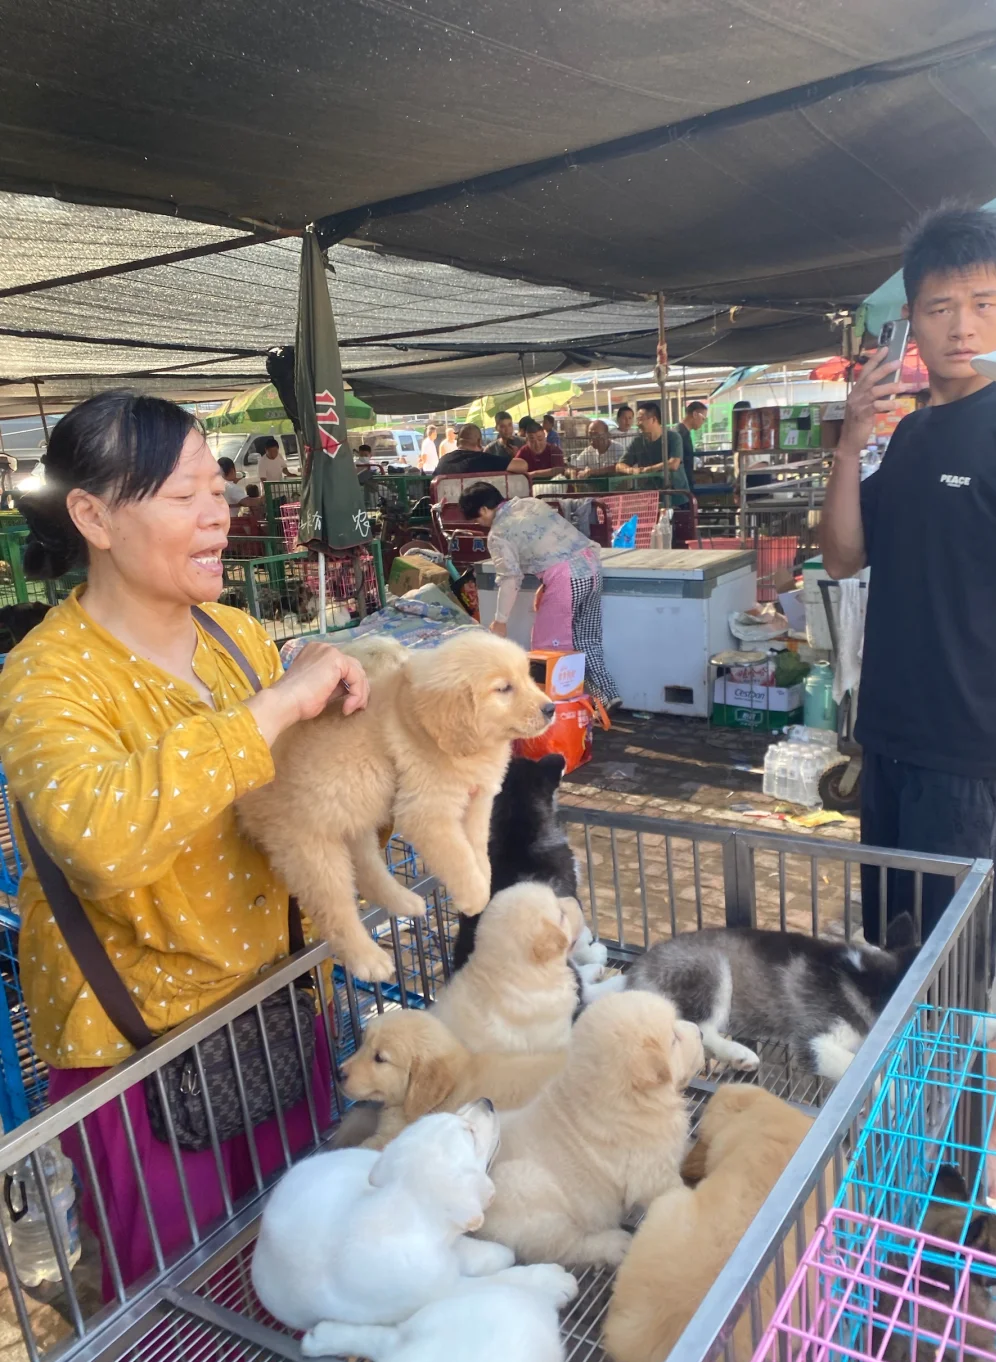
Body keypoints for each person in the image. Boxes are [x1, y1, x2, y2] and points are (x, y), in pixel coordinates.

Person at [0, 390, 370, 1291]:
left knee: (304, 1267)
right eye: (183, 494)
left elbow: (302, 807)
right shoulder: (46, 678)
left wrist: (384, 742)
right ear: (93, 518)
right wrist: (274, 709)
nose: (219, 513)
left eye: (217, 488)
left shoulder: (237, 638)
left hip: (277, 1011)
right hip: (140, 1052)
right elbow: (101, 840)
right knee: (184, 1312)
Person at [820, 206, 996, 1204]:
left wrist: (991, 679)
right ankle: (908, 1122)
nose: (961, 326)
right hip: (887, 738)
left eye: (981, 303)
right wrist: (852, 440)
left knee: (958, 964)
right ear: (913, 321)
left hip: (969, 750)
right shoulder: (913, 435)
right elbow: (846, 554)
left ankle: (988, 1139)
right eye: (939, 308)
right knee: (893, 948)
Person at [461, 481, 619, 709]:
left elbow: (510, 577)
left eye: (477, 519)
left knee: (549, 647)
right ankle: (607, 696)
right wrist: (547, 583)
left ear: (484, 509)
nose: (480, 524)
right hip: (592, 568)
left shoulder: (498, 533)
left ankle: (554, 708)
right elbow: (553, 547)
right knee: (587, 639)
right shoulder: (531, 504)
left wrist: (500, 620)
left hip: (566, 579)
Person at [616, 401, 689, 504]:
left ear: (654, 419)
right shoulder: (637, 441)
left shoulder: (673, 437)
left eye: (640, 419)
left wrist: (648, 469)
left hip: (676, 497)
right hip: (649, 499)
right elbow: (619, 466)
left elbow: (673, 464)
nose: (638, 424)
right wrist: (631, 470)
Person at [433, 423, 529, 477]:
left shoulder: (443, 461)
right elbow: (523, 465)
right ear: (479, 441)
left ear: (458, 441)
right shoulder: (485, 459)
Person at [677, 401, 708, 485]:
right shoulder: (680, 434)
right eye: (703, 418)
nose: (703, 422)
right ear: (695, 414)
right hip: (681, 484)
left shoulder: (684, 432)